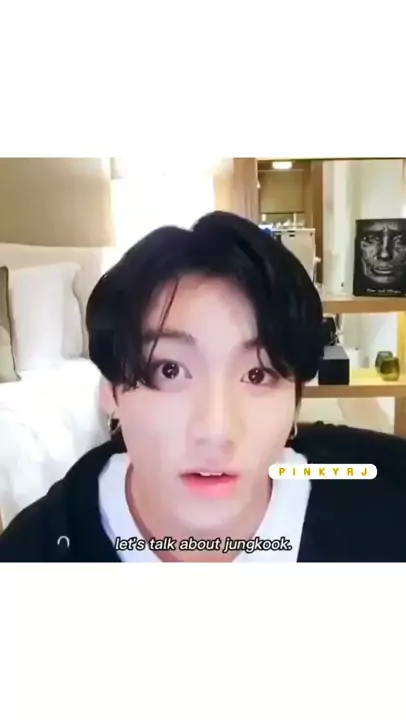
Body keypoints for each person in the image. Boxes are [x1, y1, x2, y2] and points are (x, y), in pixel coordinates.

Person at [1, 211, 406, 562]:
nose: (216, 431)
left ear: (296, 395)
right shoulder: (31, 554)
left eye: (258, 374)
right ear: (110, 390)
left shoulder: (383, 518)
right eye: (169, 370)